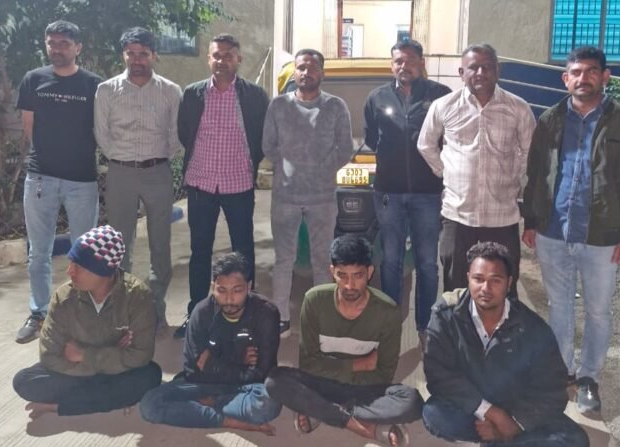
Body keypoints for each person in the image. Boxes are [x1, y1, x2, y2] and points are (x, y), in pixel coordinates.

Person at [521, 46, 620, 413]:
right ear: (565, 79)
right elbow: (536, 175)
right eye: (576, 72)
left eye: (591, 71)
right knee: (559, 307)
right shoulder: (549, 120)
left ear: (605, 76)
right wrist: (531, 221)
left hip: (602, 237)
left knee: (597, 310)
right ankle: (562, 372)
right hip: (554, 233)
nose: (583, 78)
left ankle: (588, 378)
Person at [422, 242, 589, 447]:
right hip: (472, 403)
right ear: (468, 278)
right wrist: (493, 414)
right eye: (478, 279)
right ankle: (507, 440)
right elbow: (438, 375)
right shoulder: (446, 315)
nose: (485, 288)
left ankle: (488, 444)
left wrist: (516, 423)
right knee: (434, 414)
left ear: (509, 283)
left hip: (516, 404)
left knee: (575, 441)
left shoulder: (532, 327)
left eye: (495, 280)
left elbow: (552, 389)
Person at [265, 235, 423, 447]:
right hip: (322, 383)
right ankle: (362, 426)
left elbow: (384, 373)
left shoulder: (387, 311)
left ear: (369, 272)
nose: (350, 285)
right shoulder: (314, 300)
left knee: (411, 401)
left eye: (358, 276)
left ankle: (321, 410)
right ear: (332, 272)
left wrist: (336, 376)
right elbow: (308, 364)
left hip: (364, 389)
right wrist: (358, 364)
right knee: (275, 380)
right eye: (342, 275)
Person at [417, 43, 536, 299]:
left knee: (502, 290)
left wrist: (514, 178)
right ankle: (460, 328)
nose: (480, 72)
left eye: (487, 67)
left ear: (498, 70)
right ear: (462, 72)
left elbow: (531, 152)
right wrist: (446, 172)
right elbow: (425, 144)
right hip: (457, 216)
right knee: (456, 291)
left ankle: (500, 327)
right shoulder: (444, 106)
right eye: (473, 67)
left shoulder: (518, 108)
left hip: (502, 217)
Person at [12, 226, 162, 419]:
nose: (69, 271)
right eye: (71, 263)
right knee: (24, 381)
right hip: (109, 371)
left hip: (91, 372)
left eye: (79, 266)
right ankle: (111, 397)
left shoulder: (137, 297)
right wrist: (112, 357)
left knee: (150, 375)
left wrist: (83, 355)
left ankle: (59, 407)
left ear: (103, 271)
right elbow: (49, 356)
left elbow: (141, 355)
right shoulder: (63, 297)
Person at [175, 33, 269, 339]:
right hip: (201, 183)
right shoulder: (193, 94)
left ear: (238, 59)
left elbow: (261, 139)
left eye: (228, 55)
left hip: (238, 183)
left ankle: (247, 314)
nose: (222, 60)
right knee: (200, 250)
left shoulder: (254, 96)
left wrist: (249, 164)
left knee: (243, 250)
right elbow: (184, 132)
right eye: (216, 55)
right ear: (209, 59)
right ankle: (196, 314)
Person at [15, 21, 102, 344]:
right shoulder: (33, 79)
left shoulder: (94, 84)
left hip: (82, 180)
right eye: (51, 43)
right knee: (38, 252)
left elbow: (99, 128)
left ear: (78, 47)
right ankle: (39, 312)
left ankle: (84, 313)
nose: (57, 48)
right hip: (41, 177)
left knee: (84, 251)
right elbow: (29, 127)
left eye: (64, 43)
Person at [94, 27, 182, 331]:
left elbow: (176, 135)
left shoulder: (170, 91)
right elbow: (101, 134)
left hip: (158, 172)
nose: (137, 59)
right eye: (131, 53)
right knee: (119, 243)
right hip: (121, 173)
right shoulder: (106, 90)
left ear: (154, 55)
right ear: (124, 55)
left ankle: (156, 307)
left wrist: (158, 159)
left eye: (143, 53)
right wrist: (122, 159)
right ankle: (122, 308)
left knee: (160, 243)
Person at [262, 48, 354, 336]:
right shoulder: (278, 106)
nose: (306, 72)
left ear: (322, 73)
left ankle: (320, 317)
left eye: (312, 68)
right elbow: (268, 146)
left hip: (322, 198)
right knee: (283, 260)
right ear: (295, 71)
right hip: (285, 198)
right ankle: (281, 317)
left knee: (322, 261)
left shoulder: (336, 107)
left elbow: (345, 149)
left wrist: (321, 172)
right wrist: (290, 168)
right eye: (301, 67)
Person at [364, 39, 451, 336]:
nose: (404, 66)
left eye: (410, 60)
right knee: (391, 261)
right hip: (388, 192)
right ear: (392, 65)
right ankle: (391, 322)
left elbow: (448, 139)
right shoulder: (377, 97)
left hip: (428, 193)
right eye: (399, 61)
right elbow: (371, 137)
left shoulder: (440, 95)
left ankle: (425, 326)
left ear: (421, 63)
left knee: (427, 263)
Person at [140, 252, 281, 433]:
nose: (229, 298)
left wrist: (213, 364)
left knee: (268, 404)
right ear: (213, 287)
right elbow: (193, 371)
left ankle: (210, 403)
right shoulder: (201, 313)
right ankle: (228, 420)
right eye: (222, 290)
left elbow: (263, 372)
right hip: (206, 384)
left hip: (244, 386)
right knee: (150, 404)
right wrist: (241, 361)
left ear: (249, 287)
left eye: (237, 290)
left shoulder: (266, 313)